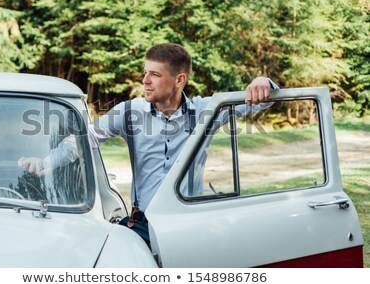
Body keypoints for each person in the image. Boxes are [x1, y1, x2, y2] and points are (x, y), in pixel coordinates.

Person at [18, 43, 278, 246]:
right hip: (140, 223)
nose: (145, 80)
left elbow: (263, 100)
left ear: (179, 80)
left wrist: (264, 82)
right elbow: (83, 139)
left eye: (155, 74)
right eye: (145, 73)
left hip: (186, 221)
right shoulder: (129, 112)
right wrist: (46, 162)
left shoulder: (205, 111)